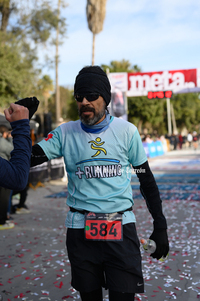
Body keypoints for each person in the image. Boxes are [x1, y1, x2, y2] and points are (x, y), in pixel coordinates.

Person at [31, 66, 169, 301]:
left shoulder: (127, 131)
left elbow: (145, 178)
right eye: (79, 97)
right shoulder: (65, 132)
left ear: (105, 97)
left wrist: (161, 226)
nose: (84, 101)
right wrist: (22, 125)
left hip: (120, 227)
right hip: (80, 229)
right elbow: (26, 159)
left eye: (91, 96)